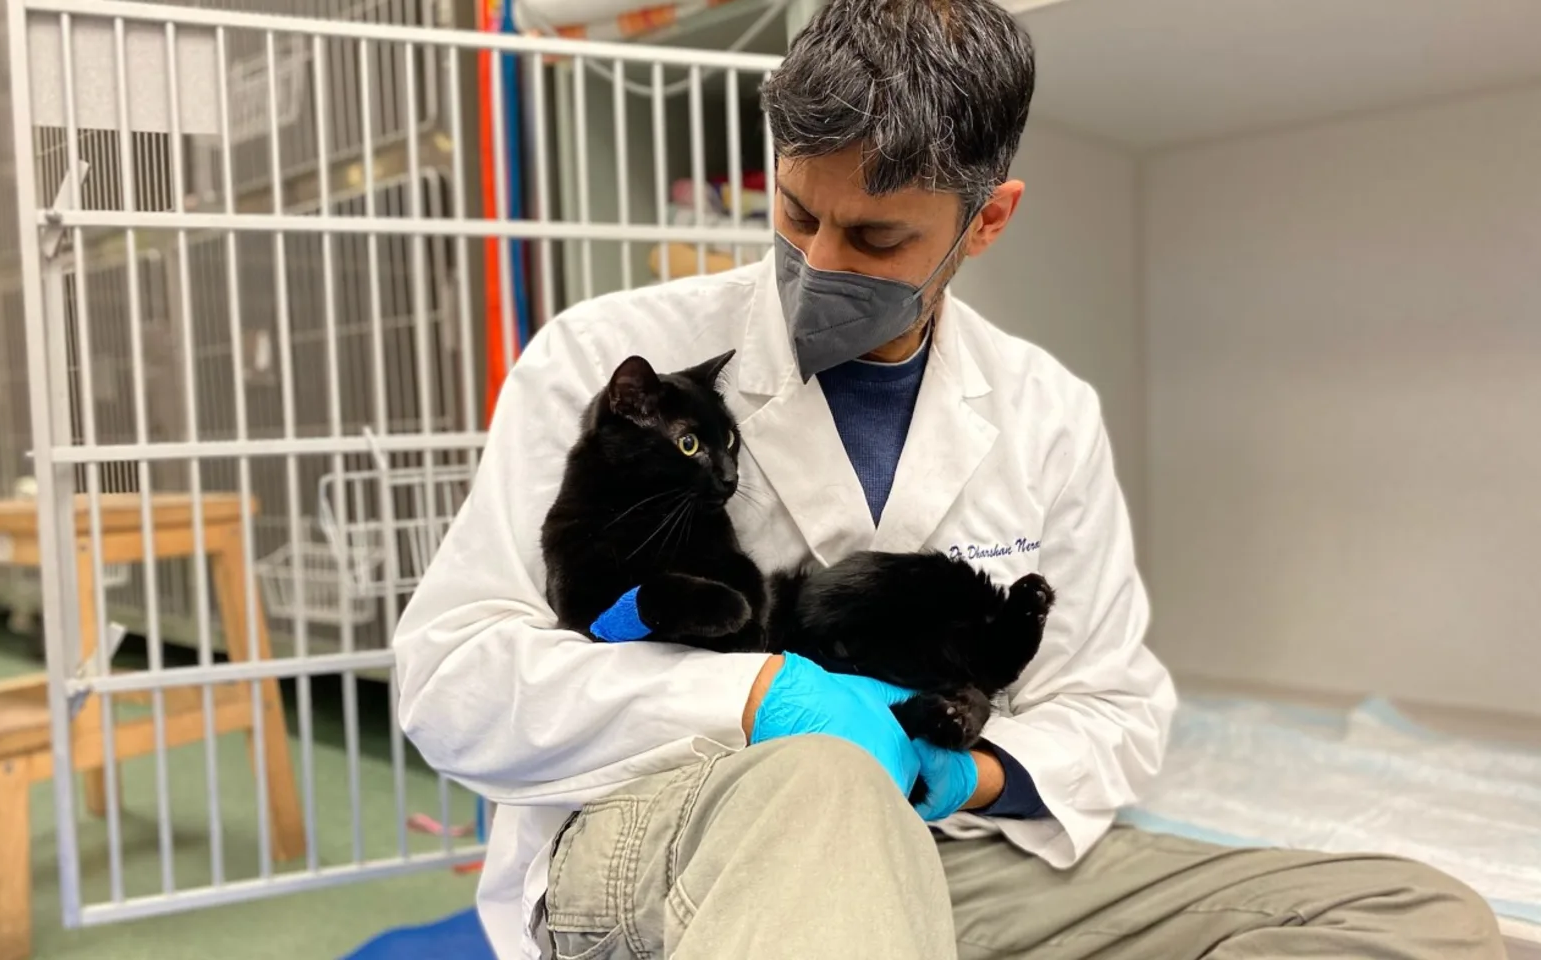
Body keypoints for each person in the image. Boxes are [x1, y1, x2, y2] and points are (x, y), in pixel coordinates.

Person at [392, 0, 1507, 956]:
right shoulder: (607, 357)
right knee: (821, 786)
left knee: (1417, 916)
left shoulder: (1043, 411)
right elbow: (455, 680)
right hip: (669, 841)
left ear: (988, 219)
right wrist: (754, 697)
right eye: (794, 213)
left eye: (876, 239)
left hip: (944, 854)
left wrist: (964, 775)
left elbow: (1111, 706)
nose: (818, 264)